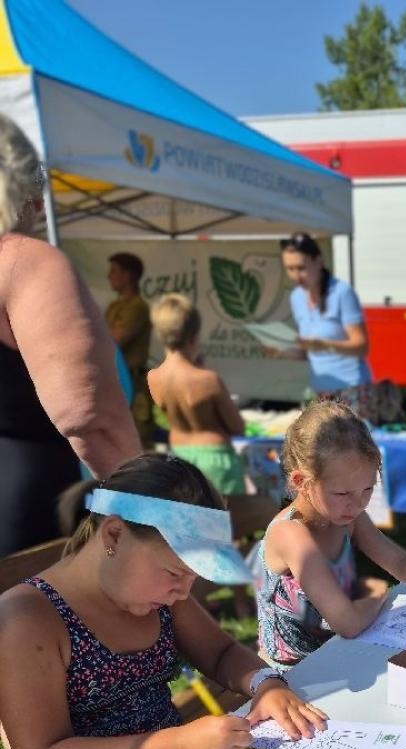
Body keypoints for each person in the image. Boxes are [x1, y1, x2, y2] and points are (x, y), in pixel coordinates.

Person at [0, 454, 327, 749]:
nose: (183, 591)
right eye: (176, 573)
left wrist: (265, 684)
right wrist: (179, 746)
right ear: (114, 536)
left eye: (194, 576)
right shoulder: (28, 621)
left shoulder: (160, 594)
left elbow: (221, 651)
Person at [0, 115, 140, 556]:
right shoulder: (23, 261)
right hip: (26, 520)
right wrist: (154, 518)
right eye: (37, 184)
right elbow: (91, 420)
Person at [257, 401, 406, 666]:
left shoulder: (345, 515)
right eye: (343, 493)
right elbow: (347, 622)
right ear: (301, 482)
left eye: (367, 490)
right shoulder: (292, 535)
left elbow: (399, 562)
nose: (358, 505)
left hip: (337, 654)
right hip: (292, 676)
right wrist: (377, 594)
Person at [147, 293, 246, 495]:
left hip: (179, 457)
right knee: (227, 524)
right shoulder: (208, 380)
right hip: (216, 459)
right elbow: (238, 427)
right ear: (194, 336)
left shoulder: (153, 377)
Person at [278, 231, 375, 410]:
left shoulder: (341, 292)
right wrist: (281, 351)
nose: (296, 276)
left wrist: (325, 345)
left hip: (350, 389)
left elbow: (362, 346)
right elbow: (308, 353)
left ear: (319, 261)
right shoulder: (296, 297)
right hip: (320, 390)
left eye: (301, 268)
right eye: (289, 269)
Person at [105, 251, 153, 447]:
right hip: (115, 382)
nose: (109, 276)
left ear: (129, 275)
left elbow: (114, 340)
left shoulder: (137, 307)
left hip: (132, 384)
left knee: (136, 442)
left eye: (114, 271)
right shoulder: (114, 306)